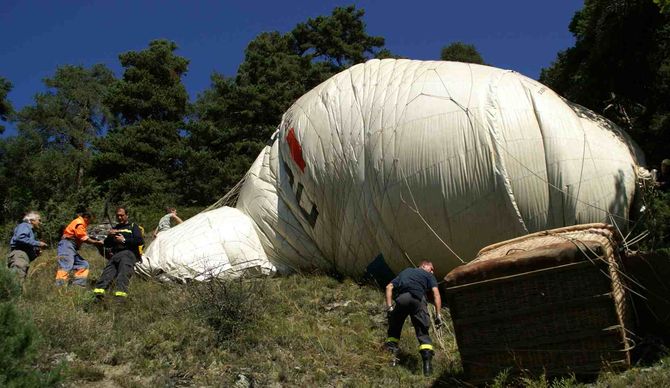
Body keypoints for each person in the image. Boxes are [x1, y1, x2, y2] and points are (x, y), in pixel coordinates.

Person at [384, 261, 443, 376]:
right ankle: (427, 370)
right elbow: (436, 294)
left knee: (394, 330)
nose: (433, 271)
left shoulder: (406, 271)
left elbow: (389, 287)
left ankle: (391, 361)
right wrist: (438, 315)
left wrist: (390, 307)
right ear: (424, 266)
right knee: (423, 333)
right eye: (431, 268)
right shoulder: (429, 275)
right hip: (418, 300)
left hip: (402, 299)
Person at [93, 206, 144, 301]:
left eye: (122, 215)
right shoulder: (115, 228)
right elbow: (107, 244)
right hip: (115, 255)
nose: (119, 218)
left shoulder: (133, 226)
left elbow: (140, 241)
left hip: (129, 253)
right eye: (118, 216)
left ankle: (120, 299)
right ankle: (97, 297)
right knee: (106, 274)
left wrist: (124, 240)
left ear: (127, 215)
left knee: (123, 274)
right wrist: (109, 236)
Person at [55, 211, 103, 287]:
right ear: (87, 218)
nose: (90, 223)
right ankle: (60, 287)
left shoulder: (80, 223)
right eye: (91, 220)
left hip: (71, 247)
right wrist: (96, 242)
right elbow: (84, 238)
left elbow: (83, 237)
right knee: (65, 266)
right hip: (67, 245)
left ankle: (78, 286)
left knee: (83, 265)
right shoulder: (80, 223)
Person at [7, 211, 47, 281]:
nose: (40, 223)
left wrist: (36, 252)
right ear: (32, 220)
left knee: (19, 282)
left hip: (22, 258)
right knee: (16, 281)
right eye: (39, 220)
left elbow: (25, 242)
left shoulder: (30, 230)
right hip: (20, 256)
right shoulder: (25, 226)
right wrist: (38, 243)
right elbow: (20, 237)